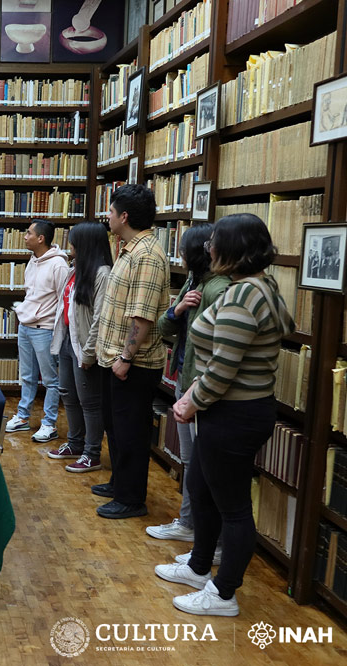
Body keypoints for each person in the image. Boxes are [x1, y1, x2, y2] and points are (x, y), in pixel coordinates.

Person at [157, 214, 294, 616]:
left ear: (232, 249)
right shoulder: (261, 286)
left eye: (215, 241)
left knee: (233, 508)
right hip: (231, 410)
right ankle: (200, 567)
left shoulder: (241, 298)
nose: (208, 247)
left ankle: (223, 593)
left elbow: (221, 368)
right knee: (200, 486)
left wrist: (189, 401)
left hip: (233, 413)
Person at [146, 225, 230, 547]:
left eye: (183, 251)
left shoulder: (218, 288)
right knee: (189, 459)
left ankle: (194, 528)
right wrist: (178, 309)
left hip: (198, 384)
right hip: (183, 375)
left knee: (198, 462)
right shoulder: (194, 283)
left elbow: (219, 343)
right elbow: (165, 326)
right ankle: (188, 522)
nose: (179, 256)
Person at [92, 184, 170, 519]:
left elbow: (142, 315)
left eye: (110, 211)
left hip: (133, 365)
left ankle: (131, 498)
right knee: (117, 428)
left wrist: (125, 358)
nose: (106, 216)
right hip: (115, 360)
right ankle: (120, 483)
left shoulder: (147, 256)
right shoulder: (128, 249)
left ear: (124, 216)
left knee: (132, 433)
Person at [46, 221, 111, 472]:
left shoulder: (102, 273)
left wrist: (89, 351)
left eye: (73, 240)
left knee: (89, 402)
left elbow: (100, 318)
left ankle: (91, 454)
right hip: (67, 341)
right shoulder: (76, 269)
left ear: (85, 243)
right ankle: (74, 443)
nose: (69, 245)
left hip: (84, 346)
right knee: (68, 394)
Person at [5, 219, 70, 444]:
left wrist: (58, 331)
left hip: (44, 329)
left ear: (40, 238)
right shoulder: (32, 260)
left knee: (51, 379)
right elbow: (31, 294)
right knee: (27, 376)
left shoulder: (59, 265)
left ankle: (49, 423)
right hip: (26, 327)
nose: (25, 237)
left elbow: (64, 301)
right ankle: (23, 417)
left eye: (28, 233)